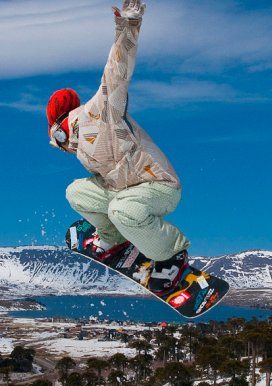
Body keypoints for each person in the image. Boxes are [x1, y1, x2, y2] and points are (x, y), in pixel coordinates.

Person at [46, 0, 189, 293]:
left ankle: (172, 253)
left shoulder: (100, 112)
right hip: (125, 190)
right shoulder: (78, 143)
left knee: (123, 210)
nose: (60, 146)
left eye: (56, 138)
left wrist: (128, 25)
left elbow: (117, 71)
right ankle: (112, 237)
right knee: (76, 192)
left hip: (159, 186)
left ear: (59, 128)